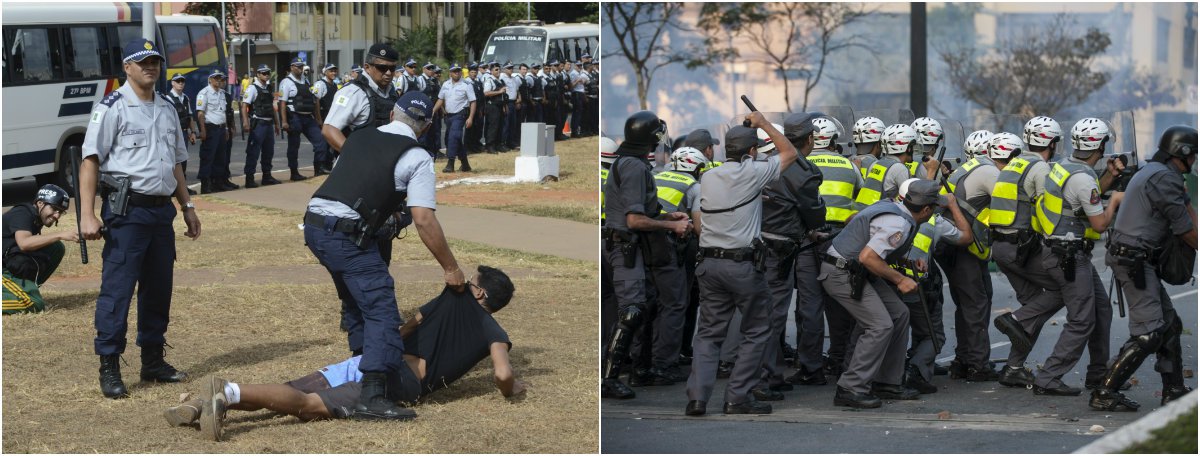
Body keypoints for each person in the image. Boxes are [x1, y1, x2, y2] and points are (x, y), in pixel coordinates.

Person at [163, 266, 520, 440]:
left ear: (480, 294)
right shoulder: (495, 332)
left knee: (293, 391)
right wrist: (514, 390)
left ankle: (199, 403)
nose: (466, 283)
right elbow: (503, 374)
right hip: (400, 380)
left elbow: (410, 324)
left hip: (378, 358)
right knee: (307, 406)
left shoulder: (450, 297)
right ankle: (227, 391)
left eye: (473, 282)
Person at [304, 91, 465, 420]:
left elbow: (359, 182)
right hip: (346, 235)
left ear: (392, 114)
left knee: (355, 299)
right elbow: (423, 218)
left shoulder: (360, 137)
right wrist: (451, 267)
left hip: (315, 226)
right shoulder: (417, 156)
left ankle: (361, 364)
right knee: (381, 309)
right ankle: (373, 395)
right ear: (426, 126)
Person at [79, 38, 201, 399]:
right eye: (142, 62)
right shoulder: (112, 107)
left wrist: (187, 207)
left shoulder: (166, 108)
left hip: (161, 211)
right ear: (127, 68)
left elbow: (176, 163)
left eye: (155, 62)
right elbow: (90, 161)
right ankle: (110, 365)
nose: (150, 67)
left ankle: (153, 359)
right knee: (118, 289)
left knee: (158, 287)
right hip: (127, 211)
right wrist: (86, 215)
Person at [684, 112, 798, 416]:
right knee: (758, 328)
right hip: (743, 266)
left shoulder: (708, 176)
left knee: (708, 333)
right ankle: (737, 397)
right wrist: (763, 124)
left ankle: (697, 398)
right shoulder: (754, 172)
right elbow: (790, 152)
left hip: (708, 265)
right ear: (752, 152)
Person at [1091, 125, 1197, 411]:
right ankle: (1104, 392)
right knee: (1149, 334)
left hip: (1136, 257)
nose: (1195, 160)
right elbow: (1188, 231)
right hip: (1133, 260)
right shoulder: (1164, 179)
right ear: (1183, 154)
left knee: (1169, 325)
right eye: (1194, 154)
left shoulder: (1159, 173)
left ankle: (1173, 389)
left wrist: (1185, 195)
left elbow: (1187, 219)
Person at [819, 179, 944, 409]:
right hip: (841, 273)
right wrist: (900, 279)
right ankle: (851, 387)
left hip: (856, 271)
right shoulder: (898, 222)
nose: (935, 211)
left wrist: (907, 262)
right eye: (935, 207)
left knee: (900, 314)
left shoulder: (896, 209)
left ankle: (887, 381)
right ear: (926, 209)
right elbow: (868, 257)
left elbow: (876, 249)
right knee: (880, 325)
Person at [1023, 117, 1124, 396]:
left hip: (1061, 249)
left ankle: (1099, 374)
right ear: (1100, 146)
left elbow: (1083, 195)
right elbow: (1100, 224)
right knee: (1082, 320)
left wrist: (1110, 176)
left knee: (1102, 310)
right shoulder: (1082, 178)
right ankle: (1049, 377)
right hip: (1068, 255)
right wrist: (1114, 201)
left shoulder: (1066, 167)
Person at [601, 111, 691, 400]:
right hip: (625, 247)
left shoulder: (632, 163)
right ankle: (608, 378)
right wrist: (673, 225)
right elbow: (634, 221)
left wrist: (666, 215)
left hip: (635, 248)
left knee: (648, 305)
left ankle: (641, 369)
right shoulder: (634, 168)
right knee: (631, 311)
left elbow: (644, 213)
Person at [753, 115, 825, 399]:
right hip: (780, 250)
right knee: (774, 315)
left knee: (765, 313)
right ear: (809, 140)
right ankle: (763, 379)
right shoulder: (805, 172)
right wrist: (814, 227)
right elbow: (814, 215)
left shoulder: (766, 163)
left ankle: (770, 373)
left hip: (757, 244)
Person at [790, 115, 862, 385]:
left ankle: (810, 367)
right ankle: (841, 360)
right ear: (833, 141)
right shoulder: (849, 166)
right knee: (840, 302)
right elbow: (860, 202)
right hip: (841, 243)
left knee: (809, 305)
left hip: (806, 241)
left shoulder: (797, 164)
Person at [888, 178, 973, 394]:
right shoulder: (934, 221)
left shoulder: (886, 211)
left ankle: (890, 372)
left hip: (886, 282)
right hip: (916, 286)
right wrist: (952, 205)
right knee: (933, 335)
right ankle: (913, 371)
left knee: (889, 330)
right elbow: (966, 238)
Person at [936, 123, 1002, 383]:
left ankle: (964, 360)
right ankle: (976, 364)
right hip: (964, 248)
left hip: (955, 246)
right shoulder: (988, 170)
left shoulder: (965, 168)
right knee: (975, 303)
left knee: (970, 302)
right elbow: (1010, 198)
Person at [2, 184, 77, 312]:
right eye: (54, 209)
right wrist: (60, 235)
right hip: (4, 271)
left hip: (9, 264)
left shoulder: (36, 218)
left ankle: (29, 289)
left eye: (60, 212)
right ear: (40, 203)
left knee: (55, 248)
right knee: (34, 303)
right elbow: (24, 243)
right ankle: (26, 296)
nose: (57, 216)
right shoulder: (22, 213)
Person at [321, 43, 400, 158]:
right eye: (382, 68)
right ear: (367, 67)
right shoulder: (353, 92)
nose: (388, 73)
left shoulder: (391, 91)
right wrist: (358, 158)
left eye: (392, 68)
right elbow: (329, 130)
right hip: (359, 168)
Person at [853, 124, 937, 211]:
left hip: (864, 213)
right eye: (913, 146)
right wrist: (932, 170)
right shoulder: (899, 169)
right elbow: (917, 202)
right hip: (879, 217)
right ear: (908, 149)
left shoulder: (876, 163)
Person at [278, 57, 328, 182]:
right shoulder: (286, 82)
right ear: (292, 67)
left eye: (301, 66)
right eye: (298, 66)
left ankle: (319, 168)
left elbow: (314, 100)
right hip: (294, 117)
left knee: (321, 140)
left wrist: (318, 119)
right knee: (294, 145)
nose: (300, 69)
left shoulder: (306, 80)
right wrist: (284, 121)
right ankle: (294, 172)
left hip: (308, 117)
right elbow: (282, 103)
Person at [240, 64, 280, 188]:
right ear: (258, 74)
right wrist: (245, 122)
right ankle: (249, 178)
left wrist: (277, 123)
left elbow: (272, 107)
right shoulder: (252, 88)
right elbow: (244, 106)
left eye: (268, 73)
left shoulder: (269, 87)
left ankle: (267, 176)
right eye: (263, 73)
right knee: (253, 152)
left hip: (268, 124)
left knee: (269, 151)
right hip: (258, 124)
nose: (266, 75)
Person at [434, 62, 476, 173]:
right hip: (448, 116)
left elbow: (473, 102)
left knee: (454, 137)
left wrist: (470, 117)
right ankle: (465, 164)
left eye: (458, 71)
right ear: (450, 73)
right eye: (454, 71)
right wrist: (433, 111)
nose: (456, 73)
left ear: (461, 72)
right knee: (451, 139)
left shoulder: (467, 85)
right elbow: (440, 99)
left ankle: (450, 163)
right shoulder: (445, 84)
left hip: (460, 115)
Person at [195, 70, 231, 194]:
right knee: (208, 157)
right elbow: (200, 113)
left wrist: (226, 128)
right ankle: (205, 185)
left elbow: (222, 112)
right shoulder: (204, 93)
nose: (218, 80)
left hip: (221, 128)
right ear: (210, 79)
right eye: (216, 78)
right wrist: (202, 130)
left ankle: (218, 183)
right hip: (210, 128)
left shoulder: (222, 93)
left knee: (220, 157)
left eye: (220, 78)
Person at [165, 73, 198, 195]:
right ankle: (173, 188)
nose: (180, 83)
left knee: (183, 160)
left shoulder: (185, 98)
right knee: (173, 162)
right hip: (172, 134)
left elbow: (190, 116)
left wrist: (193, 132)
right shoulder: (168, 98)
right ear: (172, 83)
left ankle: (183, 187)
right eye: (177, 81)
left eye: (182, 81)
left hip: (184, 133)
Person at [312, 63, 341, 175]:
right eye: (331, 71)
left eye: (335, 71)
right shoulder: (320, 84)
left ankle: (328, 166)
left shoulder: (335, 84)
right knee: (323, 143)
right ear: (325, 72)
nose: (333, 73)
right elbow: (316, 102)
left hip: (333, 118)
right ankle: (319, 168)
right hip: (324, 118)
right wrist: (319, 119)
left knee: (331, 143)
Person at [481, 63, 506, 153]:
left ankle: (498, 144)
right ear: (491, 71)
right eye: (496, 70)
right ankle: (490, 146)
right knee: (493, 127)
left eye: (499, 69)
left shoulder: (500, 81)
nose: (498, 71)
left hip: (500, 106)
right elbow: (486, 93)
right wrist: (499, 92)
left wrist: (504, 106)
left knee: (500, 126)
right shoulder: (489, 80)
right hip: (492, 106)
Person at [419, 63, 443, 156]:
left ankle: (435, 152)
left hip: (434, 111)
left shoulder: (433, 80)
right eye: (429, 68)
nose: (431, 70)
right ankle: (424, 152)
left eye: (432, 68)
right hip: (424, 110)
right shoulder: (420, 79)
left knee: (435, 132)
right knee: (425, 134)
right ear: (424, 69)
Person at [499, 63, 521, 150]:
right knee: (506, 124)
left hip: (513, 102)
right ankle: (503, 143)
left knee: (513, 123)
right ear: (504, 69)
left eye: (511, 68)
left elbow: (517, 90)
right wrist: (504, 104)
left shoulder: (514, 79)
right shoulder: (502, 78)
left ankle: (510, 142)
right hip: (507, 102)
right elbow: (503, 92)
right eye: (508, 68)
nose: (511, 69)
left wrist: (519, 99)